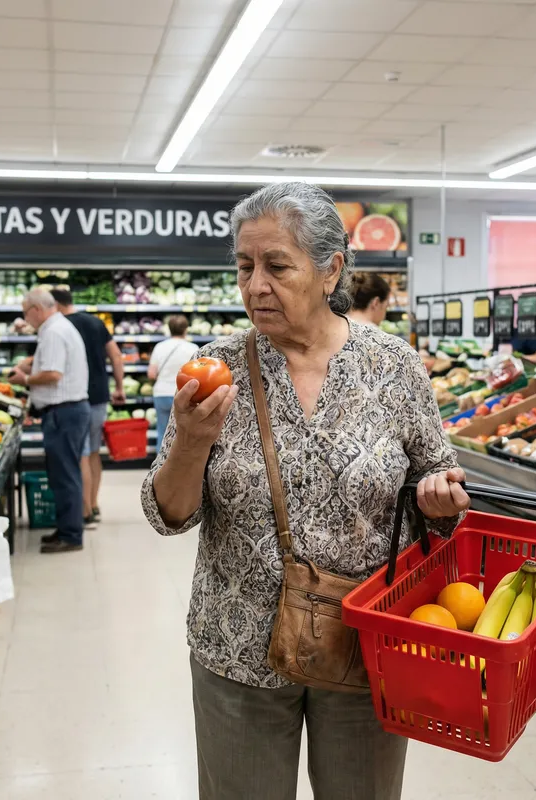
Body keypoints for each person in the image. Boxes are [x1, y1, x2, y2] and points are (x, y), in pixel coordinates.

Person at [141, 182, 469, 800]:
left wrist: (436, 499)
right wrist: (189, 440)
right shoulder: (218, 369)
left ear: (330, 270)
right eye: (244, 266)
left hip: (366, 644)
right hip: (238, 647)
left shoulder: (391, 365)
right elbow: (169, 515)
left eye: (276, 266)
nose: (255, 285)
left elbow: (438, 477)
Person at [10, 289, 89, 554]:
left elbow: (53, 374)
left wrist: (25, 380)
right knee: (63, 474)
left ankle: (71, 535)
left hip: (63, 413)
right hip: (66, 412)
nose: (25, 317)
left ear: (36, 309)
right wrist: (32, 362)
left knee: (65, 475)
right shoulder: (56, 327)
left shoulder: (54, 331)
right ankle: (66, 528)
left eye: (25, 312)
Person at [50, 288, 125, 526]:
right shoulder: (94, 322)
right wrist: (119, 386)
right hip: (99, 395)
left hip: (75, 396)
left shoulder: (60, 327)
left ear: (56, 305)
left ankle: (84, 513)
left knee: (80, 455)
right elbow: (115, 354)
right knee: (93, 453)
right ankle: (93, 504)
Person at [147, 314, 198, 445]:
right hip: (184, 394)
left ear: (169, 329)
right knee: (183, 433)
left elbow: (151, 374)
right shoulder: (192, 348)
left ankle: (160, 464)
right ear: (186, 329)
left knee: (162, 433)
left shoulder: (160, 347)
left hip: (161, 394)